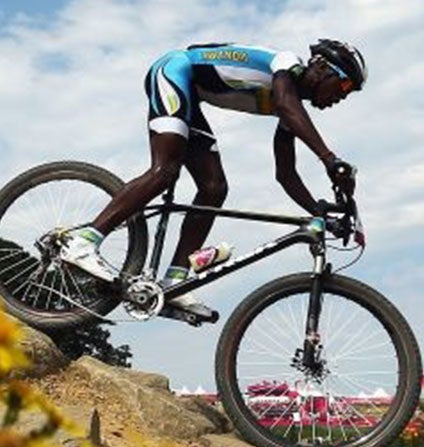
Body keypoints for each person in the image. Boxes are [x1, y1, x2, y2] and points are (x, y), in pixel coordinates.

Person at [58, 38, 366, 321]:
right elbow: (286, 103)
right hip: (174, 72)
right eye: (344, 86)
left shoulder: (290, 108)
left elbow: (285, 174)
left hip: (192, 97)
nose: (342, 97)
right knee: (165, 171)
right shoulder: (286, 64)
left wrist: (317, 212)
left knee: (214, 188)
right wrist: (330, 160)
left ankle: (174, 281)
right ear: (323, 68)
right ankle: (82, 241)